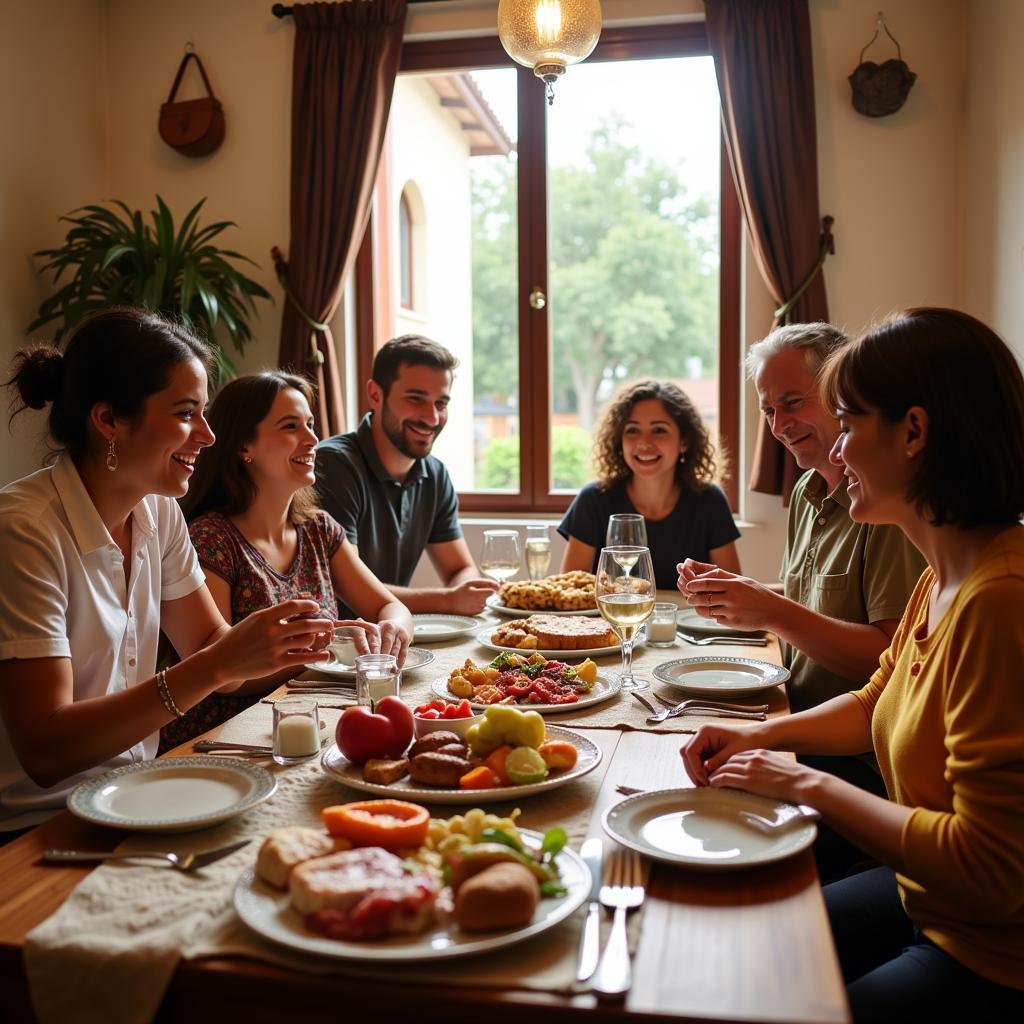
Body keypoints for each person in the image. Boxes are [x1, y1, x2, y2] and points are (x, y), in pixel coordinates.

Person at [680, 308, 1024, 1022]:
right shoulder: (946, 573)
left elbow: (991, 874)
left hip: (989, 948)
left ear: (914, 433)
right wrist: (760, 738)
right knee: (729, 954)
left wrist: (804, 781)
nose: (834, 449)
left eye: (848, 421)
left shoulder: (1000, 602)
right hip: (923, 891)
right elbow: (873, 704)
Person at [0, 309, 336, 832]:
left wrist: (312, 645)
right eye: (185, 414)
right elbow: (45, 751)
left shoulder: (157, 511)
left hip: (140, 792)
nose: (206, 435)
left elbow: (209, 644)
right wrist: (219, 664)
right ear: (108, 419)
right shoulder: (24, 531)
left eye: (205, 413)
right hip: (40, 826)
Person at [159, 371, 413, 750]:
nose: (312, 439)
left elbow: (388, 606)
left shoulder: (318, 530)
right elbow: (225, 676)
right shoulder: (211, 539)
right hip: (223, 735)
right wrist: (316, 651)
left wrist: (392, 631)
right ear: (244, 445)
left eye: (310, 425)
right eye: (291, 426)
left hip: (301, 715)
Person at [678, 324, 925, 712]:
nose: (778, 426)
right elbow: (810, 599)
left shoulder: (885, 505)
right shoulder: (806, 490)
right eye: (768, 411)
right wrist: (739, 594)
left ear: (840, 394)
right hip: (792, 709)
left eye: (792, 402)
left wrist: (772, 611)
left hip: (852, 749)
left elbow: (893, 658)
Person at [314, 334, 498, 614]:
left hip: (397, 634)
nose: (432, 418)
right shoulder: (334, 465)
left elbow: (460, 568)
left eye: (441, 404)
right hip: (339, 644)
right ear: (375, 395)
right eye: (416, 399)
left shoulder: (434, 474)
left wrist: (465, 592)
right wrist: (448, 600)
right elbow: (344, 585)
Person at [559, 380, 740, 589]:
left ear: (684, 441)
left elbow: (732, 592)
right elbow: (570, 593)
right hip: (613, 622)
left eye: (659, 430)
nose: (644, 443)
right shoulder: (593, 500)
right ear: (619, 440)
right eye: (633, 431)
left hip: (689, 621)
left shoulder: (710, 501)